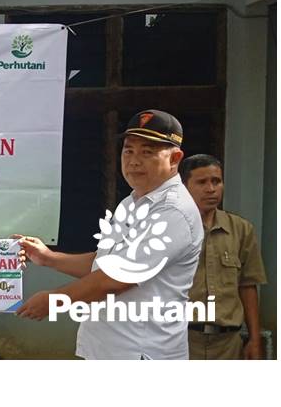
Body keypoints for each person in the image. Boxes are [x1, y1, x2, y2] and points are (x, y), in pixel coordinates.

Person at [16, 110, 204, 359]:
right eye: (128, 151)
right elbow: (103, 264)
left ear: (175, 158)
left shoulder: (173, 211)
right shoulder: (132, 202)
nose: (134, 161)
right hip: (105, 349)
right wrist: (48, 258)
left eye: (147, 152)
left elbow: (116, 278)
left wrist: (55, 300)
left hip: (141, 353)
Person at [180, 154, 268, 359]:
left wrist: (254, 339)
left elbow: (247, 285)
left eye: (216, 181)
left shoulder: (241, 229)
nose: (211, 189)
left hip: (228, 344)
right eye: (202, 182)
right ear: (184, 187)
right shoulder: (171, 229)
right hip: (183, 340)